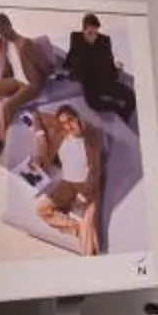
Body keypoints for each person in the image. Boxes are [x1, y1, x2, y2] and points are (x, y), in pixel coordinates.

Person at [0, 13, 50, 154]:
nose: (3, 34)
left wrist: (45, 79)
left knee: (8, 106)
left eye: (4, 30)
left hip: (30, 84)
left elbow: (43, 64)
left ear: (10, 26)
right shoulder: (4, 42)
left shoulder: (25, 43)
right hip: (15, 81)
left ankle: (0, 140)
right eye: (0, 31)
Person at [34, 105, 105, 256]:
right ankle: (75, 227)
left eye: (70, 120)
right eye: (63, 123)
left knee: (88, 247)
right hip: (67, 185)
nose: (68, 126)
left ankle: (86, 238)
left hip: (87, 187)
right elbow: (37, 115)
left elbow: (95, 170)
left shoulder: (92, 137)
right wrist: (40, 137)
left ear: (78, 117)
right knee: (41, 209)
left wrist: (84, 195)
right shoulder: (60, 134)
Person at [64, 12, 135, 123]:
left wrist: (116, 69)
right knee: (96, 104)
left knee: (131, 97)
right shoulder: (77, 39)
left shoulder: (104, 40)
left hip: (105, 79)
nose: (93, 36)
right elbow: (74, 61)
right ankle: (117, 110)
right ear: (83, 30)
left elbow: (108, 60)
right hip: (89, 83)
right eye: (90, 33)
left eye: (96, 33)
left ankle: (124, 119)